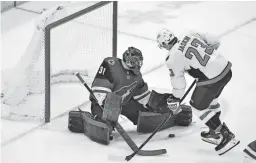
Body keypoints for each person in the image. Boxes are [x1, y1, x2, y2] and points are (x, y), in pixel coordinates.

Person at [156, 29, 240, 155]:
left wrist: (175, 98)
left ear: (164, 44)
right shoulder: (188, 34)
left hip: (212, 78)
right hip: (225, 69)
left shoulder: (172, 58)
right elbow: (214, 40)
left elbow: (179, 84)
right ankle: (214, 133)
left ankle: (225, 134)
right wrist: (208, 61)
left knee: (197, 107)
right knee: (211, 102)